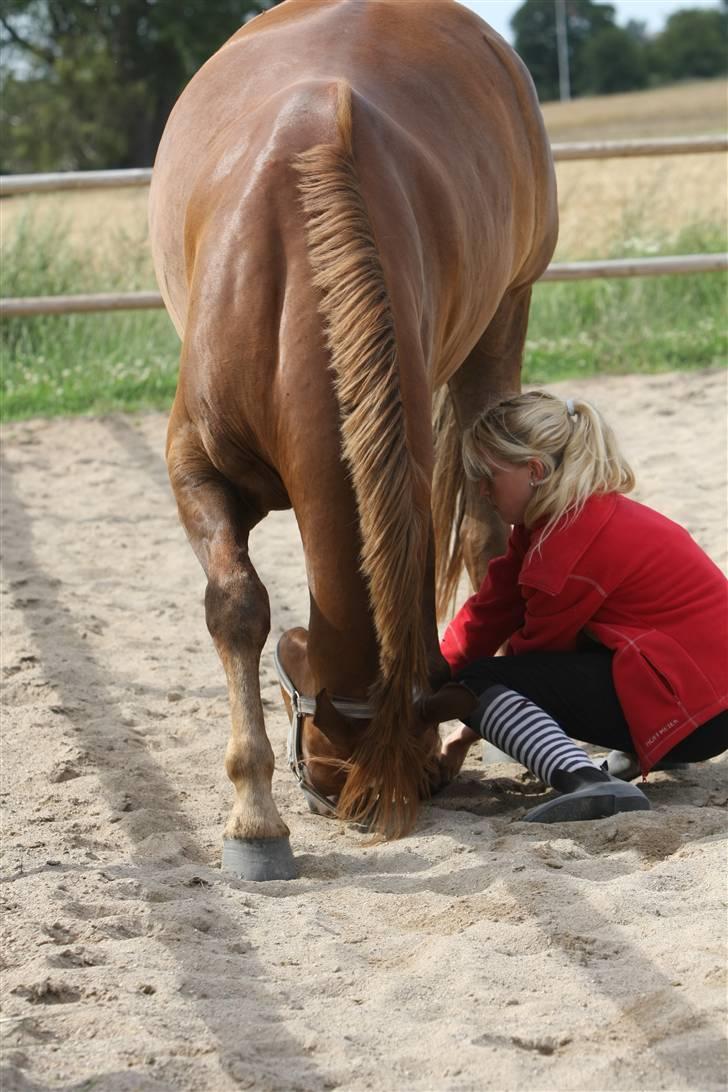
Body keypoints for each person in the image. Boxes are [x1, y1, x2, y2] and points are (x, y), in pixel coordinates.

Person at [425, 391, 728, 823]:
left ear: (534, 470)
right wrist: (426, 679)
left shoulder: (565, 545)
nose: (480, 489)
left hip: (699, 715)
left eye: (487, 474)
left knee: (479, 683)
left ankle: (587, 781)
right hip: (706, 695)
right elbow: (488, 613)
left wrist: (458, 726)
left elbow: (534, 666)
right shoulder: (562, 519)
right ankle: (646, 752)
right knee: (487, 676)